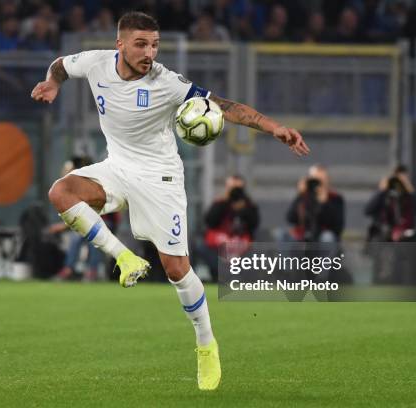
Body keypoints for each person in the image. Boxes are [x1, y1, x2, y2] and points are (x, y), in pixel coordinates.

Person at [30, 11, 310, 391]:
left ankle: (206, 344)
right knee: (61, 192)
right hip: (117, 167)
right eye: (141, 44)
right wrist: (51, 83)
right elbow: (60, 65)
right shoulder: (95, 63)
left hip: (160, 179)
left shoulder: (168, 83)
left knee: (177, 270)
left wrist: (274, 127)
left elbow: (225, 106)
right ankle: (125, 258)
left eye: (155, 45)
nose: (150, 53)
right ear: (120, 44)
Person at [196, 175, 260, 282]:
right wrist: (223, 202)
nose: (235, 192)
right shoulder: (220, 202)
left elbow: (254, 225)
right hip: (218, 243)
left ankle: (237, 278)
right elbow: (210, 222)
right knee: (203, 247)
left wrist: (244, 208)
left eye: (238, 188)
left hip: (241, 243)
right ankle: (219, 275)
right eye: (232, 188)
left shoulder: (249, 205)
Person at [283, 164, 345, 243]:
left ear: (328, 180)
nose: (317, 183)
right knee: (284, 235)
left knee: (327, 237)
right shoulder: (304, 197)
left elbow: (337, 228)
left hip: (323, 235)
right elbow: (290, 218)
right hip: (304, 234)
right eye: (315, 179)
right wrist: (300, 195)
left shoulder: (335, 198)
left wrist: (324, 202)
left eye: (321, 180)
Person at [365, 164, 416, 242]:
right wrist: (382, 190)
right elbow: (368, 210)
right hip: (383, 237)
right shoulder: (384, 196)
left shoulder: (408, 197)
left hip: (405, 237)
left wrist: (409, 188)